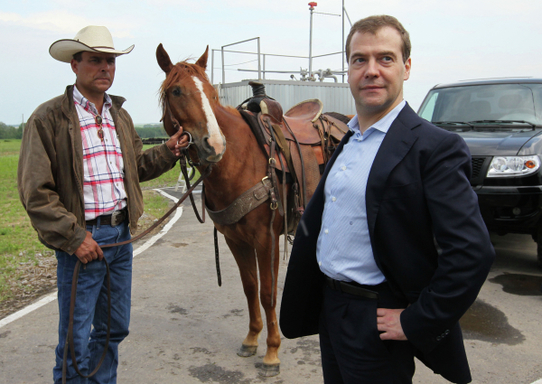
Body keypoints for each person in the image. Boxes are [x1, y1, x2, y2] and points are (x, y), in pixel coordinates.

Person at [280, 15, 495, 384]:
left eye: (385, 58)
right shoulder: (348, 140)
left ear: (406, 67)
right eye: (359, 59)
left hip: (375, 319)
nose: (371, 71)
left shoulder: (435, 148)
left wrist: (416, 320)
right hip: (331, 309)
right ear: (348, 69)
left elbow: (472, 252)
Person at [18, 26, 186, 383]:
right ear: (75, 65)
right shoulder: (48, 118)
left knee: (114, 330)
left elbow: (135, 168)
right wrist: (75, 238)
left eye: (109, 61)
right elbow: (36, 192)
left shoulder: (118, 116)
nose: (104, 68)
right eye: (95, 60)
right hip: (84, 242)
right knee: (75, 341)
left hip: (120, 237)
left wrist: (168, 151)